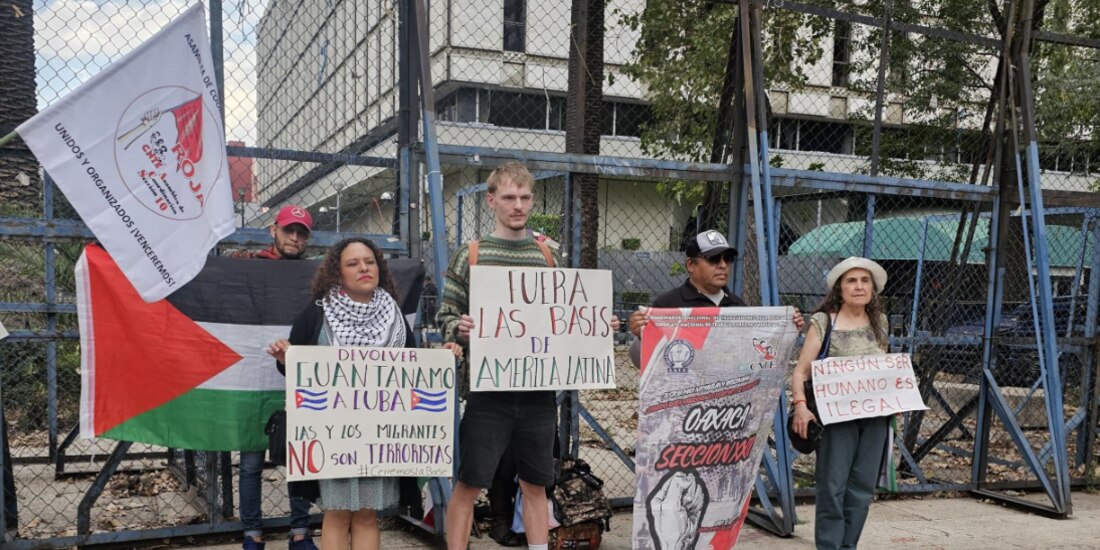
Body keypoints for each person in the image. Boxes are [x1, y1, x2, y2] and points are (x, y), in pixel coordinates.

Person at [436, 162, 617, 550]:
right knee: (468, 484)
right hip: (487, 395)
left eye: (524, 197)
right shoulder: (470, 255)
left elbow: (563, 317)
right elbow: (445, 316)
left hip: (538, 394)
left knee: (537, 484)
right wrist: (459, 329)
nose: (517, 205)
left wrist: (598, 326)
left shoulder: (548, 256)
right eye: (508, 197)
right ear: (491, 201)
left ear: (531, 200)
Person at [267, 237, 462, 550]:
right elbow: (299, 372)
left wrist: (442, 357)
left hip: (378, 439)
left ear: (379, 268)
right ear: (337, 272)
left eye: (369, 261)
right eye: (353, 263)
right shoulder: (318, 313)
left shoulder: (394, 316)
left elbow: (412, 371)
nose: (363, 268)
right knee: (337, 515)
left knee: (367, 515)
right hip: (333, 438)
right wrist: (284, 359)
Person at [789, 257, 891, 550]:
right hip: (835, 419)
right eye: (851, 281)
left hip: (874, 418)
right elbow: (800, 372)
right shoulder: (824, 322)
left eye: (864, 281)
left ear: (872, 288)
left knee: (861, 488)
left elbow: (884, 369)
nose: (859, 286)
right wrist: (800, 405)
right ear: (840, 288)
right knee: (833, 488)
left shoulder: (879, 322)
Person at [232, 204, 317, 550]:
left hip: (299, 378)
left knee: (302, 459)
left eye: (301, 233)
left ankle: (301, 532)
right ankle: (252, 533)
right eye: (288, 230)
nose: (294, 238)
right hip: (252, 375)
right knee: (251, 461)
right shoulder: (250, 265)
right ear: (274, 230)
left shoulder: (316, 275)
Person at [627, 229, 803, 366]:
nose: (722, 265)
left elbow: (754, 355)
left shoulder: (738, 307)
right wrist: (641, 337)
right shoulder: (667, 304)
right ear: (690, 265)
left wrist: (788, 329)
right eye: (713, 259)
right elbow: (641, 363)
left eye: (727, 258)